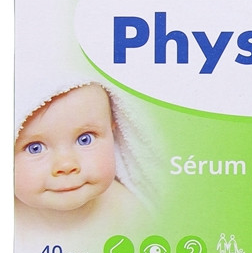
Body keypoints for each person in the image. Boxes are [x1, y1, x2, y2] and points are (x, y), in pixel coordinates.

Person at [14, 81, 155, 237]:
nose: (66, 165)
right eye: (35, 148)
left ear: (113, 134)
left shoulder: (130, 213)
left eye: (85, 139)